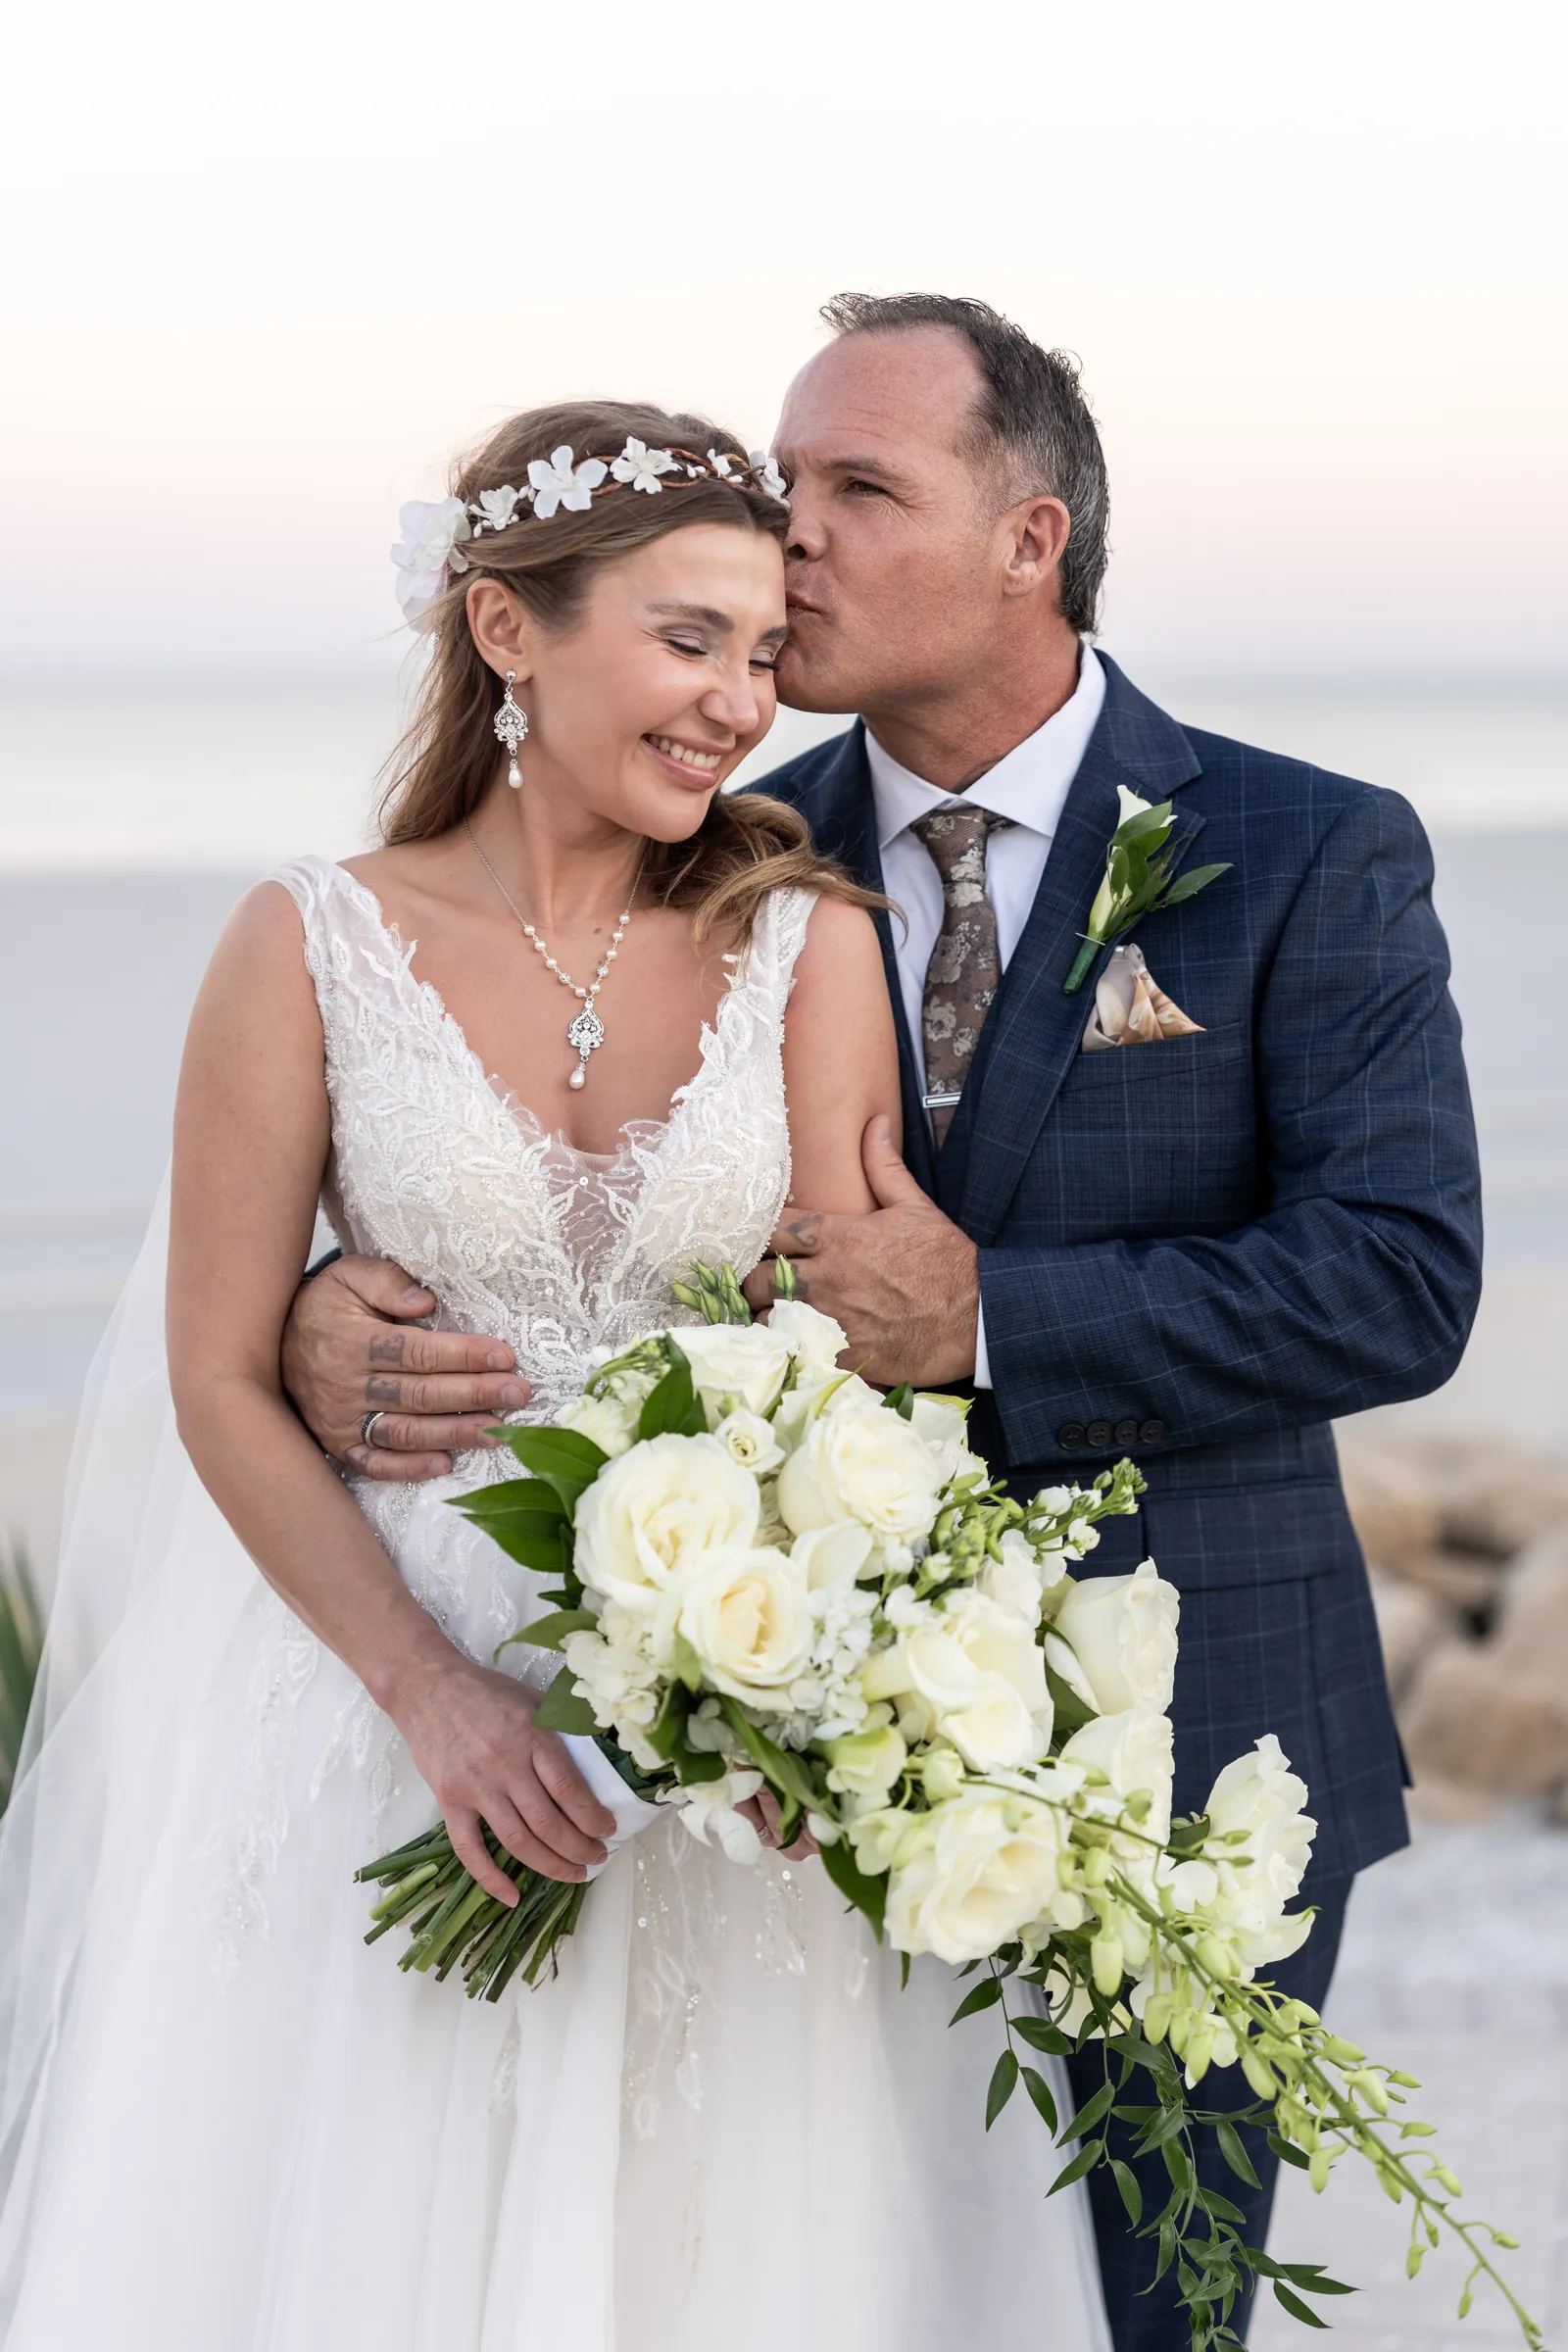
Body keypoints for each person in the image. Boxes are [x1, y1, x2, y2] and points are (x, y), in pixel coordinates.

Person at [282, 299, 1484, 2352]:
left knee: (1139, 2311)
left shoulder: (1304, 848)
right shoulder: (710, 837)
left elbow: (1397, 1273)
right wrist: (330, 1308)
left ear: (1028, 537)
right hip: (758, 1761)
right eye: (783, 481)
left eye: (856, 487)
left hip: (1178, 1746)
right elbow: (536, 1143)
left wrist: (991, 1319)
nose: (789, 535)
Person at [0, 399, 1112, 2351]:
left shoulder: (805, 940)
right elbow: (213, 1377)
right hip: (368, 1724)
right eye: (687, 642)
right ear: (507, 632)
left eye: (764, 655)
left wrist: (806, 1690)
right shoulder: (308, 941)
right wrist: (435, 1704)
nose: (737, 704)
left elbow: (850, 1368)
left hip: (705, 1760)